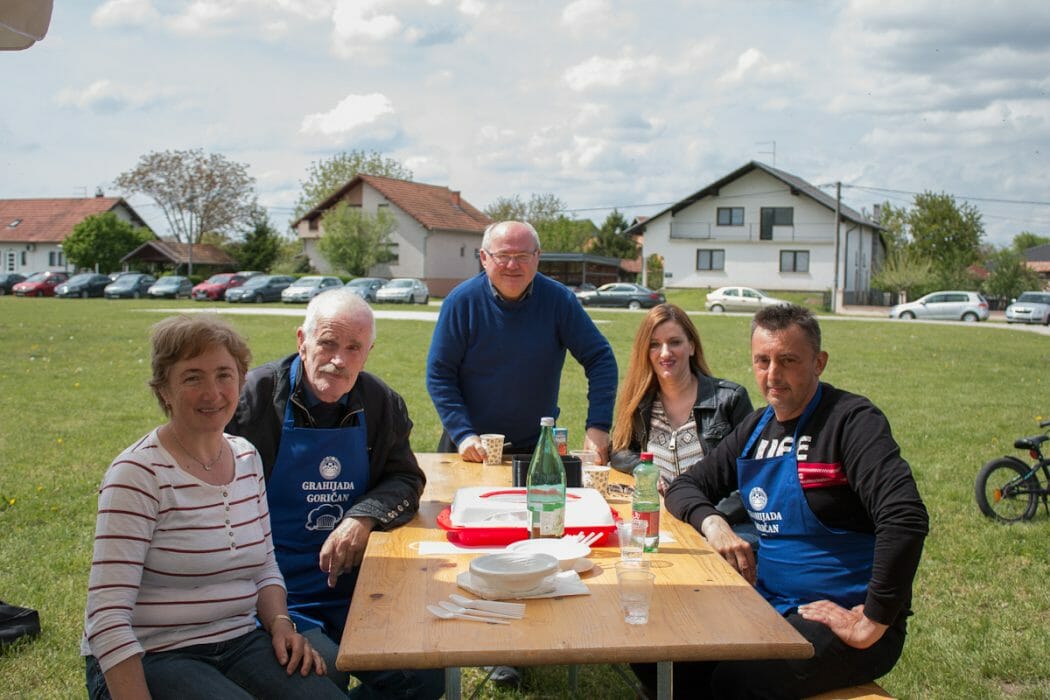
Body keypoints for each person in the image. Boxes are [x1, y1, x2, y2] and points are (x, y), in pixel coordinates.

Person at [649, 304, 930, 698]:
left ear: (819, 362)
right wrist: (715, 524)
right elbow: (684, 487)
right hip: (770, 602)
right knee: (666, 650)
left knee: (736, 680)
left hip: (839, 617)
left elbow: (904, 517)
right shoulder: (757, 427)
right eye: (762, 361)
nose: (772, 375)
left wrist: (872, 620)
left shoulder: (851, 421)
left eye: (788, 360)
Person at [82, 315, 343, 700]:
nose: (213, 392)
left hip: (239, 640)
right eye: (192, 378)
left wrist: (280, 624)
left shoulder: (246, 457)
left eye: (224, 375)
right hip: (156, 652)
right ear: (163, 390)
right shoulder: (137, 474)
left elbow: (265, 565)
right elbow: (106, 617)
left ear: (241, 380)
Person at [227, 288, 442, 699]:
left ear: (368, 352)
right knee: (321, 671)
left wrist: (362, 517)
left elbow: (405, 478)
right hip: (272, 594)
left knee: (425, 677)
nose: (339, 360)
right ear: (302, 340)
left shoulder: (381, 403)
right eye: (327, 343)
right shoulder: (253, 399)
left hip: (355, 590)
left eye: (353, 348)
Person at [426, 220, 618, 464]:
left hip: (536, 450)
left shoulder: (559, 301)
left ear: (537, 257)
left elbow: (600, 359)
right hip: (469, 447)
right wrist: (462, 434)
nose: (512, 265)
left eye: (523, 256)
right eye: (503, 256)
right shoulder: (461, 302)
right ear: (484, 258)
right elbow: (439, 374)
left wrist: (598, 426)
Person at [609, 303, 757, 547]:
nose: (665, 353)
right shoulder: (641, 403)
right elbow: (619, 449)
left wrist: (708, 517)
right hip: (667, 523)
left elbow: (754, 476)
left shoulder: (729, 400)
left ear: (692, 346)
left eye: (674, 342)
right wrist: (645, 470)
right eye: (654, 344)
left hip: (722, 523)